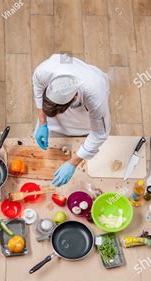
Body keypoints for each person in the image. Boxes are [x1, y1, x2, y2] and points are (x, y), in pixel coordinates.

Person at [32, 54, 111, 187]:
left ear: (73, 99)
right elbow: (38, 89)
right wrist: (42, 122)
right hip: (67, 70)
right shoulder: (43, 71)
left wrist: (73, 163)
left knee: (86, 133)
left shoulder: (95, 94)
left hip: (83, 117)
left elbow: (100, 134)